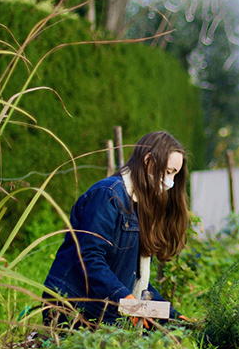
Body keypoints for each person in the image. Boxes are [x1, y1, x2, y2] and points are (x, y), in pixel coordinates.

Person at [42, 131, 189, 326]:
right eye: (169, 171)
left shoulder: (140, 206)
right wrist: (130, 306)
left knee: (173, 335)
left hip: (103, 310)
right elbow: (90, 258)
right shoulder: (108, 195)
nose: (170, 180)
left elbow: (133, 278)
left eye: (174, 174)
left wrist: (170, 314)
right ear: (149, 161)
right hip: (72, 305)